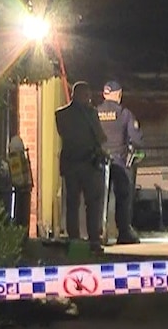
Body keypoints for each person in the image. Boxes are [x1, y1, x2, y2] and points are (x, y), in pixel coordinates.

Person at [55, 81, 109, 253]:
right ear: (81, 95)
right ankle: (94, 240)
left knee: (72, 203)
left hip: (70, 165)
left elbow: (65, 135)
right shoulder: (90, 113)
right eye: (87, 95)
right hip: (88, 164)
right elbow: (101, 137)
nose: (89, 99)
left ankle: (74, 240)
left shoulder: (61, 115)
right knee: (92, 204)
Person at [97, 80, 144, 245]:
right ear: (118, 94)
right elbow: (136, 139)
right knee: (123, 197)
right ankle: (124, 232)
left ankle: (96, 232)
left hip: (98, 161)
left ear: (104, 94)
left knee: (98, 197)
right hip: (119, 161)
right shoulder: (124, 113)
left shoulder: (94, 112)